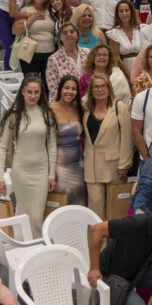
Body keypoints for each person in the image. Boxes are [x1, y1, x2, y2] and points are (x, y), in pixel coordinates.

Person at [0, 74, 56, 238]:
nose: (33, 96)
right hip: (21, 172)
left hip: (41, 171)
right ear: (22, 92)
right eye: (29, 92)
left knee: (37, 216)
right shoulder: (13, 116)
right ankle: (30, 246)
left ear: (41, 93)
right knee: (25, 214)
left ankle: (33, 246)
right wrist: (0, 177)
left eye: (36, 92)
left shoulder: (46, 114)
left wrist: (51, 174)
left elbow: (51, 145)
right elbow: (2, 148)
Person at [51, 75, 86, 206]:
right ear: (60, 89)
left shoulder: (80, 109)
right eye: (66, 88)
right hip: (59, 167)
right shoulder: (50, 109)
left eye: (73, 89)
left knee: (79, 203)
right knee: (61, 204)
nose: (69, 92)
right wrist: (51, 171)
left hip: (78, 166)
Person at [12, 0, 57, 79]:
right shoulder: (25, 10)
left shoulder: (51, 11)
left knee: (48, 83)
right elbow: (15, 30)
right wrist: (29, 21)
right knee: (31, 82)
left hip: (50, 54)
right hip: (31, 54)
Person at [45, 23, 90, 103]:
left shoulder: (88, 53)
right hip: (66, 101)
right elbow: (53, 88)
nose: (69, 34)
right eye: (65, 33)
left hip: (88, 99)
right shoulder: (53, 59)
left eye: (72, 32)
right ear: (60, 37)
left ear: (77, 35)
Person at [107, 0, 149, 73]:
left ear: (131, 12)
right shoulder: (113, 33)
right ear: (117, 14)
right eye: (121, 11)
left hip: (143, 68)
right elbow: (117, 58)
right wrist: (129, 75)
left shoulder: (142, 29)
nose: (124, 13)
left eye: (126, 10)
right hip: (125, 70)